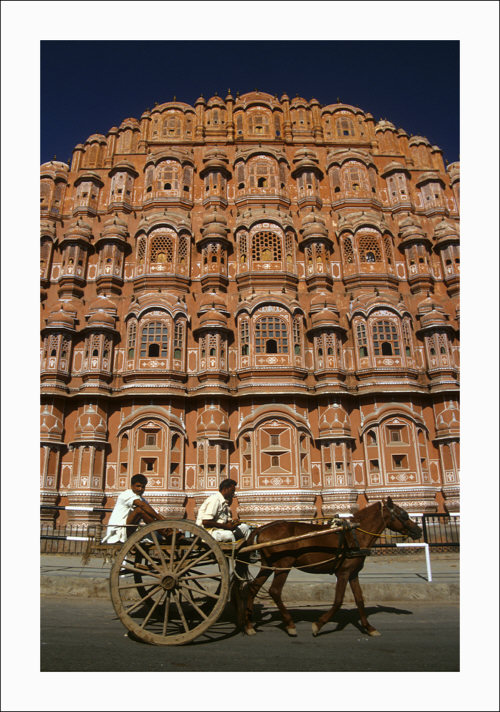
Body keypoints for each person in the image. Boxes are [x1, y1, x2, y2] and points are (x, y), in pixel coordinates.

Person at [102, 474, 166, 544]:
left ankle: (166, 532)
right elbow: (141, 505)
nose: (140, 489)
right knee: (139, 510)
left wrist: (162, 519)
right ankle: (164, 532)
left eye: (143, 487)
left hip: (130, 528)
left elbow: (152, 511)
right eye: (138, 486)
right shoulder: (126, 494)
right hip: (119, 529)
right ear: (132, 486)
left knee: (150, 513)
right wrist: (158, 518)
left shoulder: (140, 498)